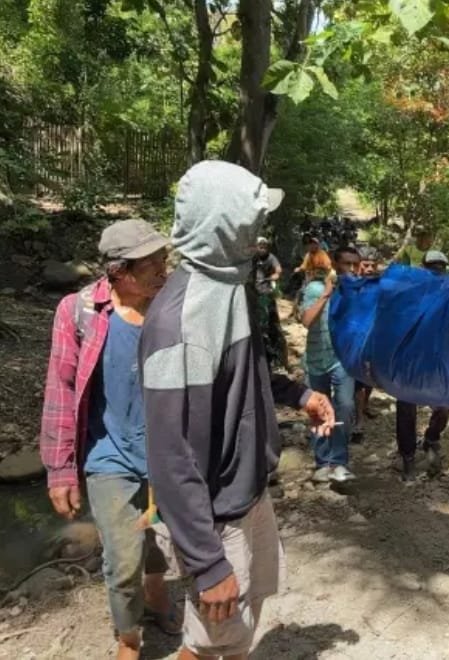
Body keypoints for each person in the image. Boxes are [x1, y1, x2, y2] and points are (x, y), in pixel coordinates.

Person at [139, 161, 337, 660]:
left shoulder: (229, 289)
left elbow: (246, 375)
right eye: (253, 222)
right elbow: (170, 457)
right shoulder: (177, 324)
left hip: (248, 493)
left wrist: (299, 396)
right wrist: (207, 564)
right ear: (226, 226)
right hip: (215, 513)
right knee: (207, 644)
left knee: (241, 626)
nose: (260, 234)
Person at [40, 219, 180, 660]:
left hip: (167, 451)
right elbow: (61, 390)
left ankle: (156, 592)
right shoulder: (78, 311)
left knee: (156, 532)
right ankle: (128, 637)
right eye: (152, 263)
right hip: (108, 454)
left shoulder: (171, 305)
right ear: (119, 271)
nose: (163, 269)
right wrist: (60, 468)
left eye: (164, 259)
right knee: (122, 559)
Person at [300, 245, 361, 484]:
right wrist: (326, 293)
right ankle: (321, 462)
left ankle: (339, 462)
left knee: (345, 406)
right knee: (318, 410)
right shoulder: (314, 289)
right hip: (316, 360)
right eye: (347, 264)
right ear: (335, 265)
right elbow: (306, 321)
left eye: (355, 264)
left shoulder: (354, 291)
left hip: (342, 360)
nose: (352, 269)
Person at [395, 250, 449, 482]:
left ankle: (431, 437)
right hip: (409, 362)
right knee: (406, 410)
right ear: (424, 266)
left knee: (445, 405)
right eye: (432, 266)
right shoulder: (411, 293)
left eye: (440, 266)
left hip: (438, 363)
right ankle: (407, 457)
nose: (436, 270)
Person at [352, 245, 381, 442]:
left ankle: (365, 406)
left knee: (371, 377)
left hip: (375, 338)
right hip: (355, 339)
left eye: (373, 265)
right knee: (358, 381)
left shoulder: (380, 285)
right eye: (366, 265)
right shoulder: (351, 284)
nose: (369, 269)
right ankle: (358, 420)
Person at [252, 237, 287, 368]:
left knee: (270, 322)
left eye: (264, 246)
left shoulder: (271, 258)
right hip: (252, 293)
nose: (261, 248)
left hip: (265, 292)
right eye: (259, 246)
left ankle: (273, 354)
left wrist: (272, 276)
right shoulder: (252, 258)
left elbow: (278, 270)